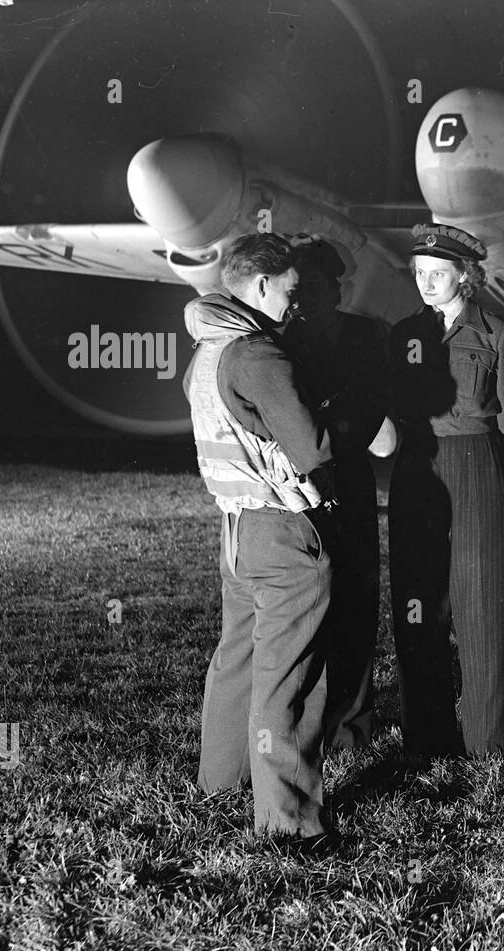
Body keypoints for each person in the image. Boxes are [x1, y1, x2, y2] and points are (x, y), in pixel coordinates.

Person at [182, 232, 338, 840]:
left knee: (238, 659)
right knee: (288, 672)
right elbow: (312, 448)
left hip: (236, 530)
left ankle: (219, 783)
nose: (295, 304)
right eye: (292, 291)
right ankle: (289, 821)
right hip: (282, 529)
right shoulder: (258, 355)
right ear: (264, 285)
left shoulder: (208, 352)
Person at [388, 223, 504, 760]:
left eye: (437, 273)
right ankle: (426, 737)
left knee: (479, 602)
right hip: (418, 468)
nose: (426, 283)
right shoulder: (403, 334)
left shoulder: (499, 333)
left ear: (466, 276)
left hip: (476, 462)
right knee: (418, 601)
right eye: (419, 273)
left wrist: (488, 460)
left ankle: (485, 742)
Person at [285, 235, 390, 752]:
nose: (304, 295)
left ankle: (351, 727)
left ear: (337, 287)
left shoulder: (367, 337)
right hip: (300, 484)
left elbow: (370, 406)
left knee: (356, 600)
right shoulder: (281, 338)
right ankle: (307, 717)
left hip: (348, 475)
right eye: (297, 286)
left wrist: (324, 433)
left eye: (314, 284)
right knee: (309, 604)